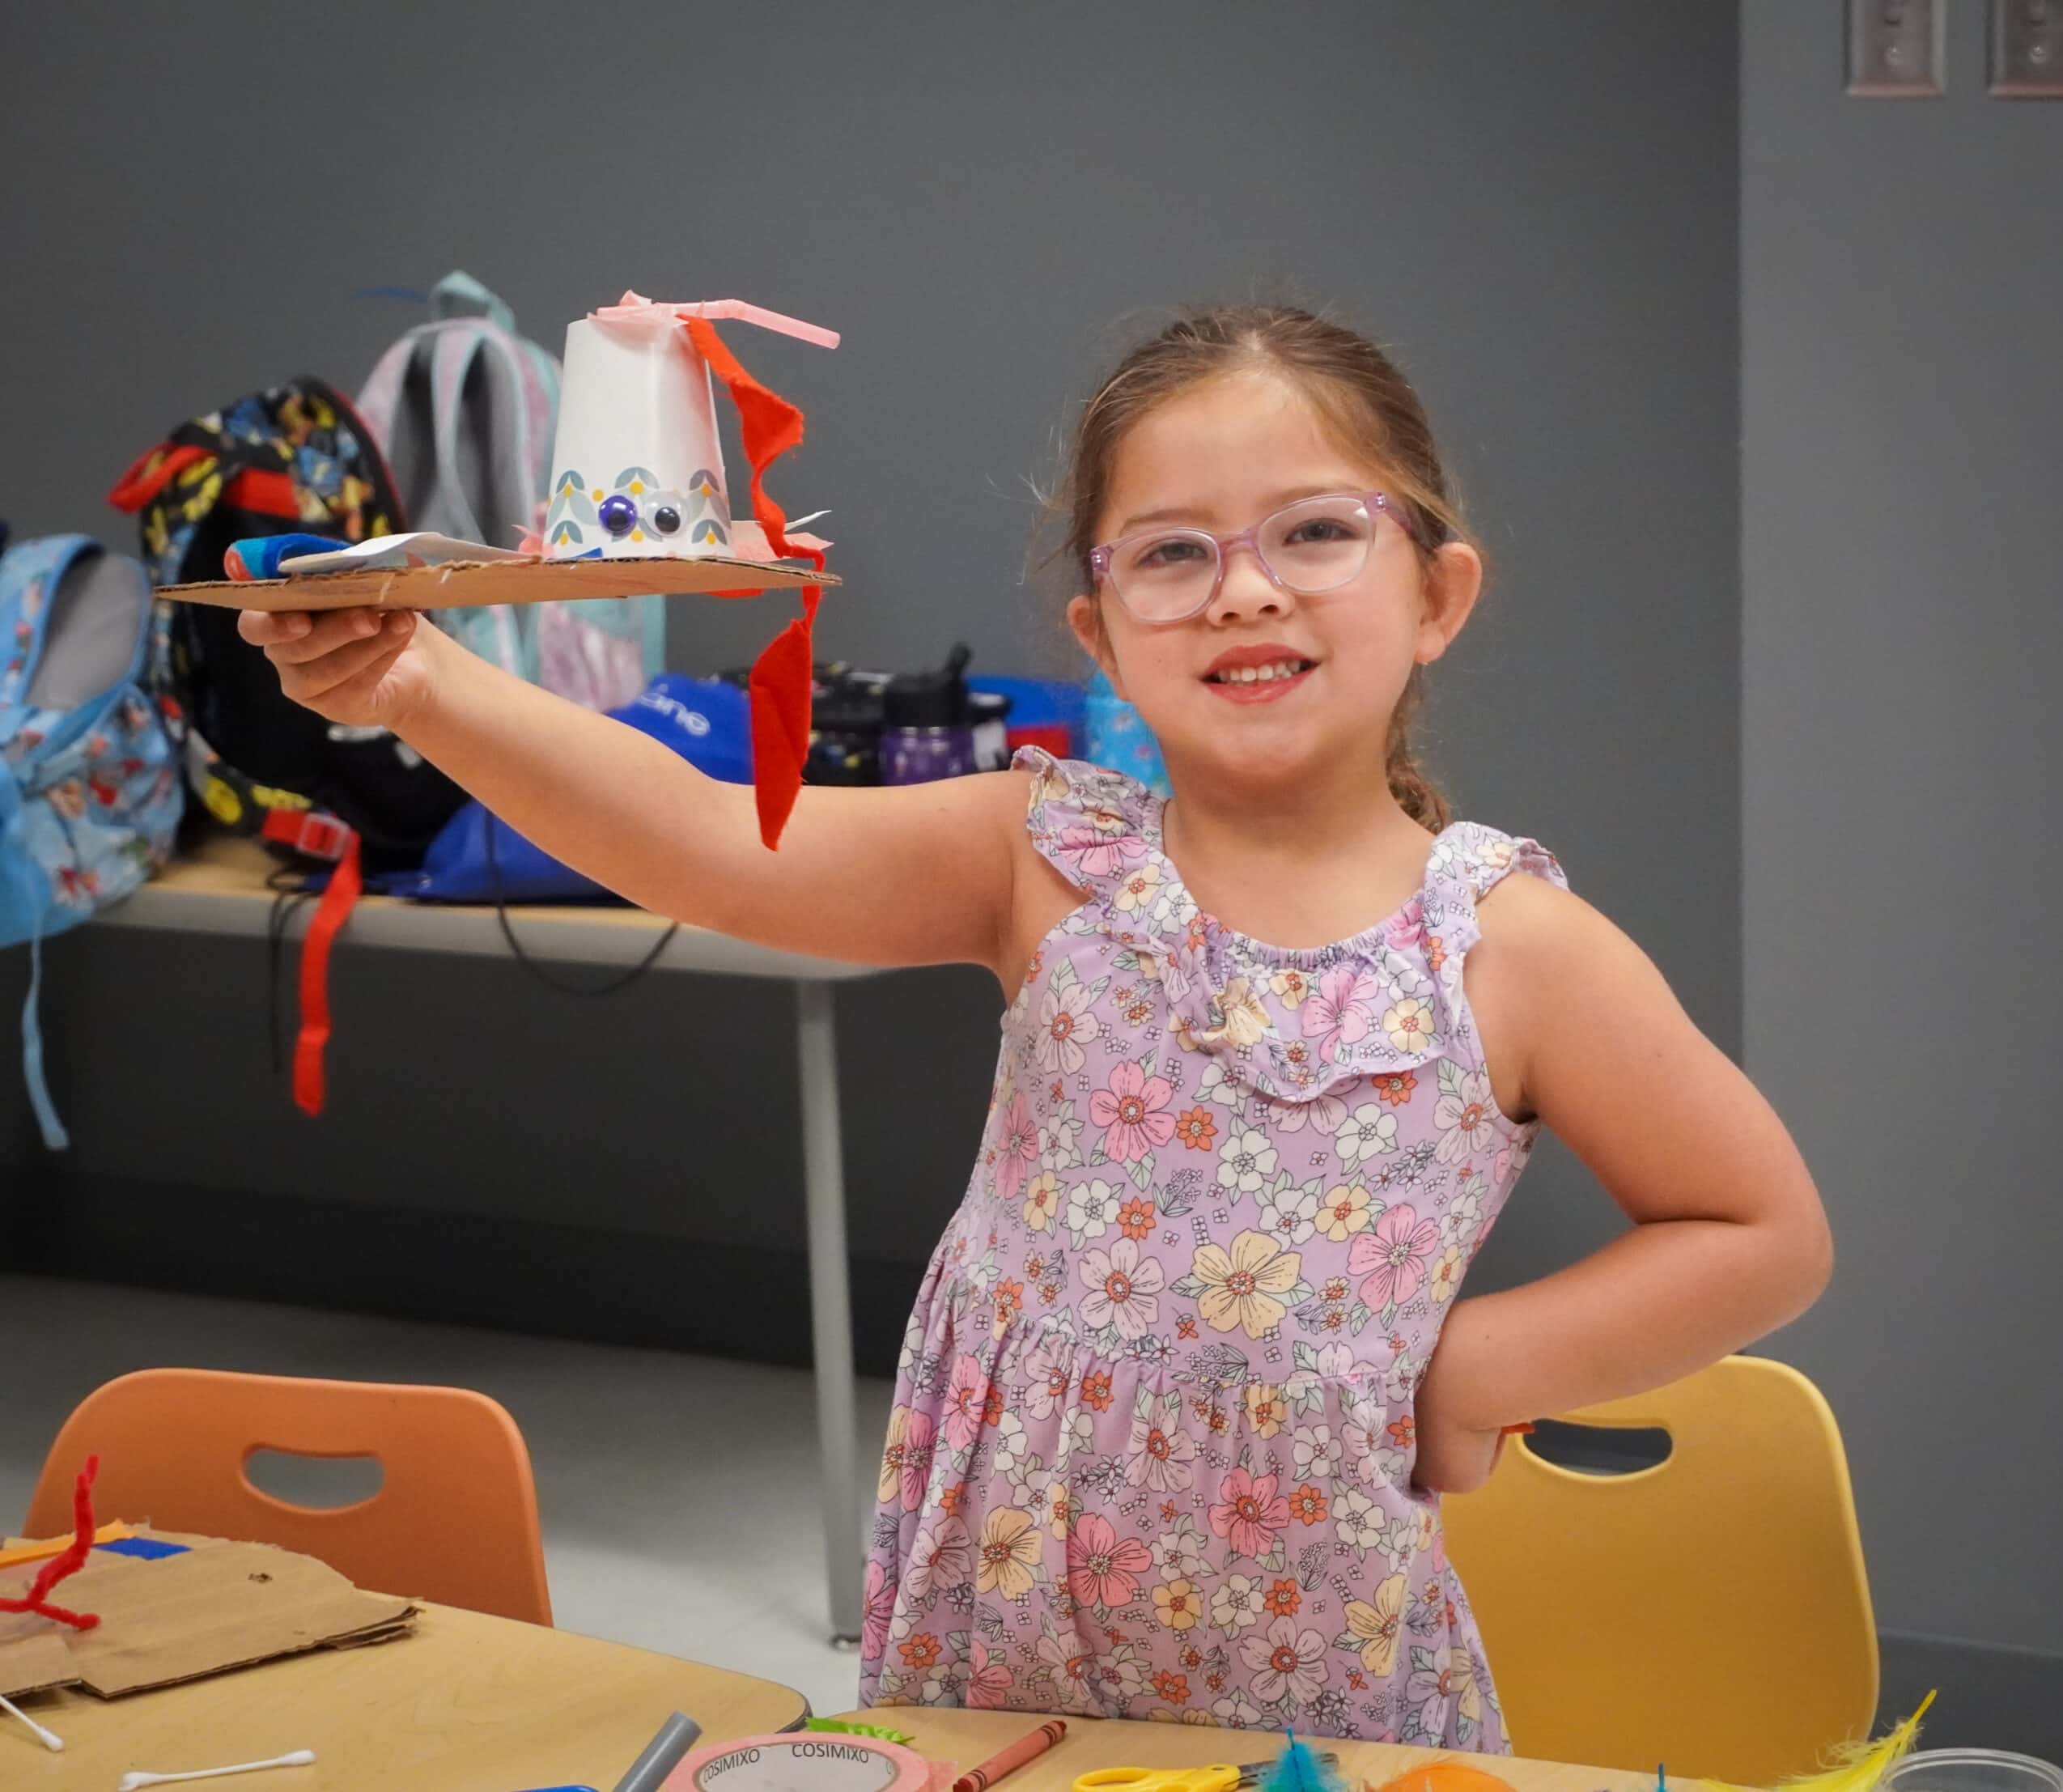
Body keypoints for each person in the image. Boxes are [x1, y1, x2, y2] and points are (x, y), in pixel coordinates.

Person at [244, 305, 1832, 1746]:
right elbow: (704, 839)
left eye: (1315, 530)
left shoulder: (1507, 945)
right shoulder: (1043, 856)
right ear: (1100, 630)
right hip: (999, 1651)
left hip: (1327, 1686)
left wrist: (1477, 1366)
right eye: (1171, 553)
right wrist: (419, 684)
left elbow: (1759, 1228)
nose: (1245, 588)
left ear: (1437, 593)